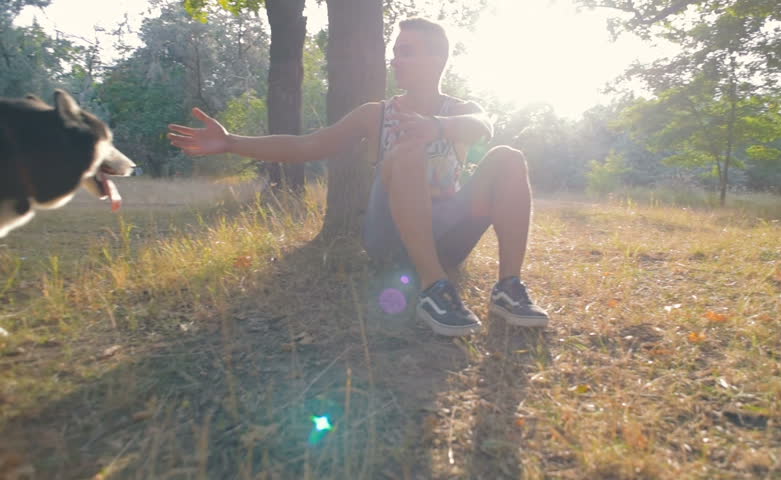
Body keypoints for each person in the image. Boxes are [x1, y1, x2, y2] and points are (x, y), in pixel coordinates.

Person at [168, 18, 548, 337]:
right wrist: (232, 142)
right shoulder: (376, 114)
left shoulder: (460, 111)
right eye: (396, 51)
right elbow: (306, 146)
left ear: (438, 58)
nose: (396, 59)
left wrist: (436, 126)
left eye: (407, 51)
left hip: (448, 240)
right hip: (391, 242)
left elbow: (483, 127)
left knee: (509, 158)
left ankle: (509, 288)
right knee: (406, 153)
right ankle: (434, 289)